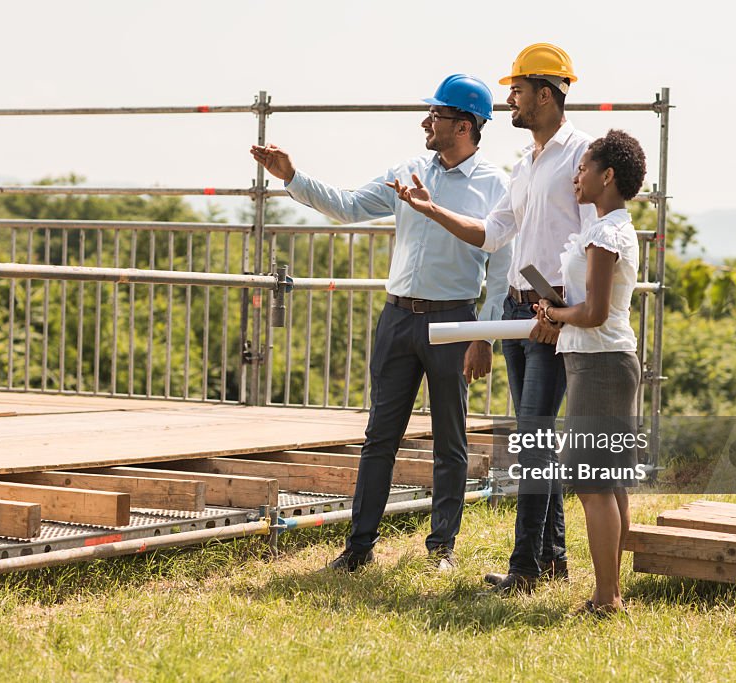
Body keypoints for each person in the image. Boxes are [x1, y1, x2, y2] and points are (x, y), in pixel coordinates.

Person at [250, 74, 512, 572]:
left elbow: (500, 268)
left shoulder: (496, 186)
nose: (425, 122)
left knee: (450, 440)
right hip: (396, 318)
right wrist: (293, 177)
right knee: (379, 437)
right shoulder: (407, 170)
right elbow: (348, 207)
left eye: (434, 116)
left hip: (454, 322)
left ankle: (442, 549)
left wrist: (485, 335)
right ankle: (358, 548)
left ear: (463, 125)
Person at [388, 43, 595, 594]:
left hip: (551, 314)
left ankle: (525, 569)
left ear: (545, 94)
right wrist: (430, 209)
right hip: (514, 310)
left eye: (518, 91)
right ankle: (552, 560)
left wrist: (565, 310)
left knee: (531, 438)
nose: (510, 101)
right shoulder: (526, 163)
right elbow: (490, 231)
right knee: (537, 439)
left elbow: (593, 239)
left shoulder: (581, 155)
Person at [534, 129, 647, 614]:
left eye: (583, 168)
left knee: (592, 483)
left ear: (607, 176)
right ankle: (613, 592)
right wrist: (562, 314)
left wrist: (555, 314)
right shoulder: (610, 228)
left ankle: (607, 598)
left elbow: (596, 312)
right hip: (601, 361)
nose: (576, 176)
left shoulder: (605, 233)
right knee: (608, 481)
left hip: (601, 364)